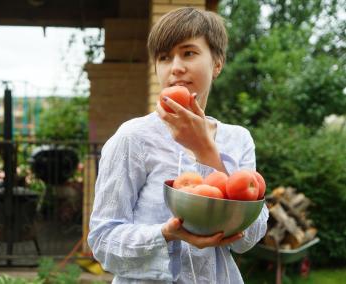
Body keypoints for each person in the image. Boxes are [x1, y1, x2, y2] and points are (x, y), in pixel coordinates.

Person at [88, 7, 268, 283]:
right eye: (164, 57)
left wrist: (205, 151)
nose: (175, 68)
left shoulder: (237, 139)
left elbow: (248, 238)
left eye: (189, 53)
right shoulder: (133, 137)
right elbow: (102, 241)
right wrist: (165, 234)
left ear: (217, 64)